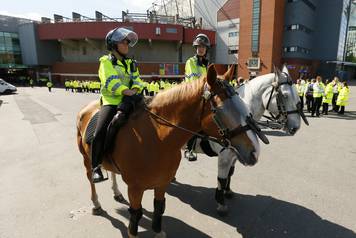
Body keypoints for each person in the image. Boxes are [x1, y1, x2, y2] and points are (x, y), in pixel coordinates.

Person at [91, 27, 144, 183]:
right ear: (113, 44)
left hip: (130, 100)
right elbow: (110, 82)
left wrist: (134, 90)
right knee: (100, 131)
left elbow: (138, 80)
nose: (127, 44)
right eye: (124, 41)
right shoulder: (106, 61)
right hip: (112, 101)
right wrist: (126, 91)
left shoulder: (131, 63)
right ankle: (96, 166)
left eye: (128, 42)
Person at [184, 33, 210, 161]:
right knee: (194, 121)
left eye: (204, 47)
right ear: (195, 48)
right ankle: (189, 149)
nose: (201, 49)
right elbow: (194, 80)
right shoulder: (191, 61)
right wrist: (205, 90)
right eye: (199, 46)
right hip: (191, 95)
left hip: (203, 95)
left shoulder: (206, 64)